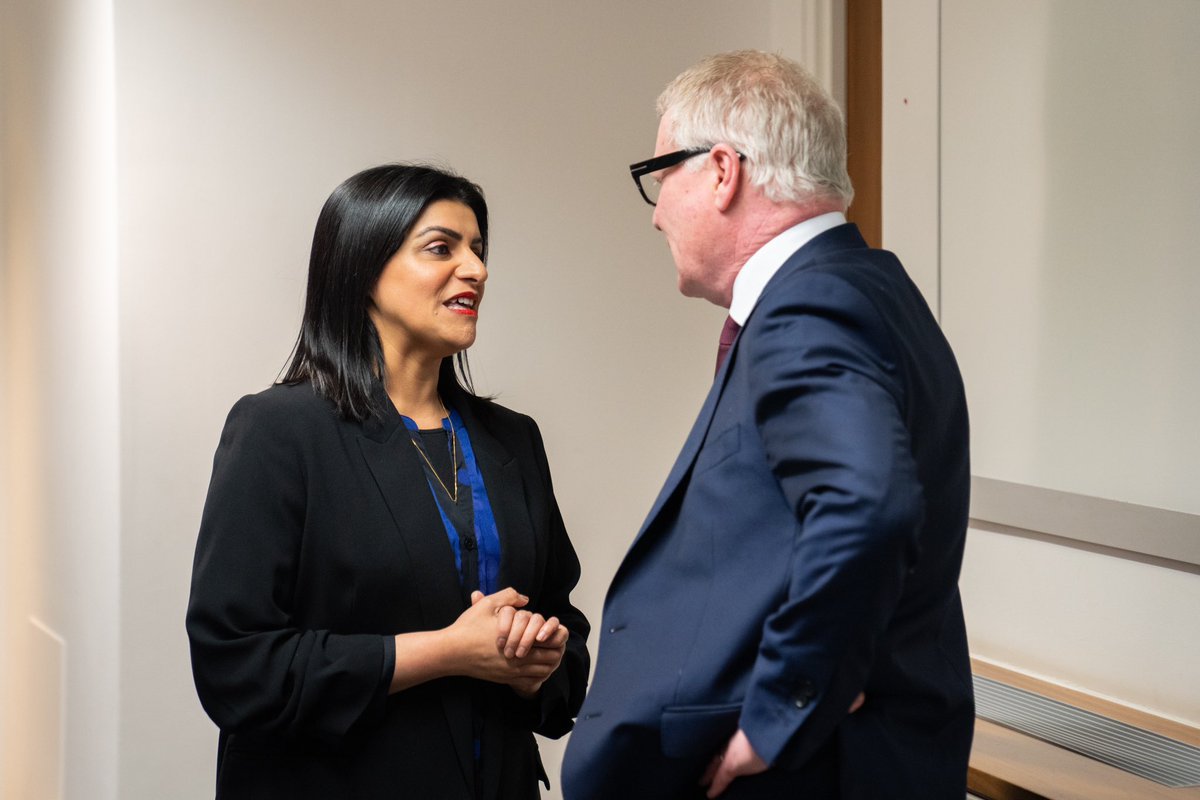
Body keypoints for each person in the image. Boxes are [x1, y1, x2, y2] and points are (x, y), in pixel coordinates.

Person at [561, 51, 973, 800]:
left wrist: (781, 709)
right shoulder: (870, 287)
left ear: (722, 171)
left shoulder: (807, 309)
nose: (655, 211)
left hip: (814, 773)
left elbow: (866, 507)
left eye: (660, 177)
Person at [186, 164, 590, 799]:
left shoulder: (513, 440)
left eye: (479, 250)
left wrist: (536, 664)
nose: (476, 270)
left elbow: (566, 634)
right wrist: (448, 652)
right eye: (441, 248)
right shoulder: (279, 431)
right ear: (363, 268)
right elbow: (237, 669)